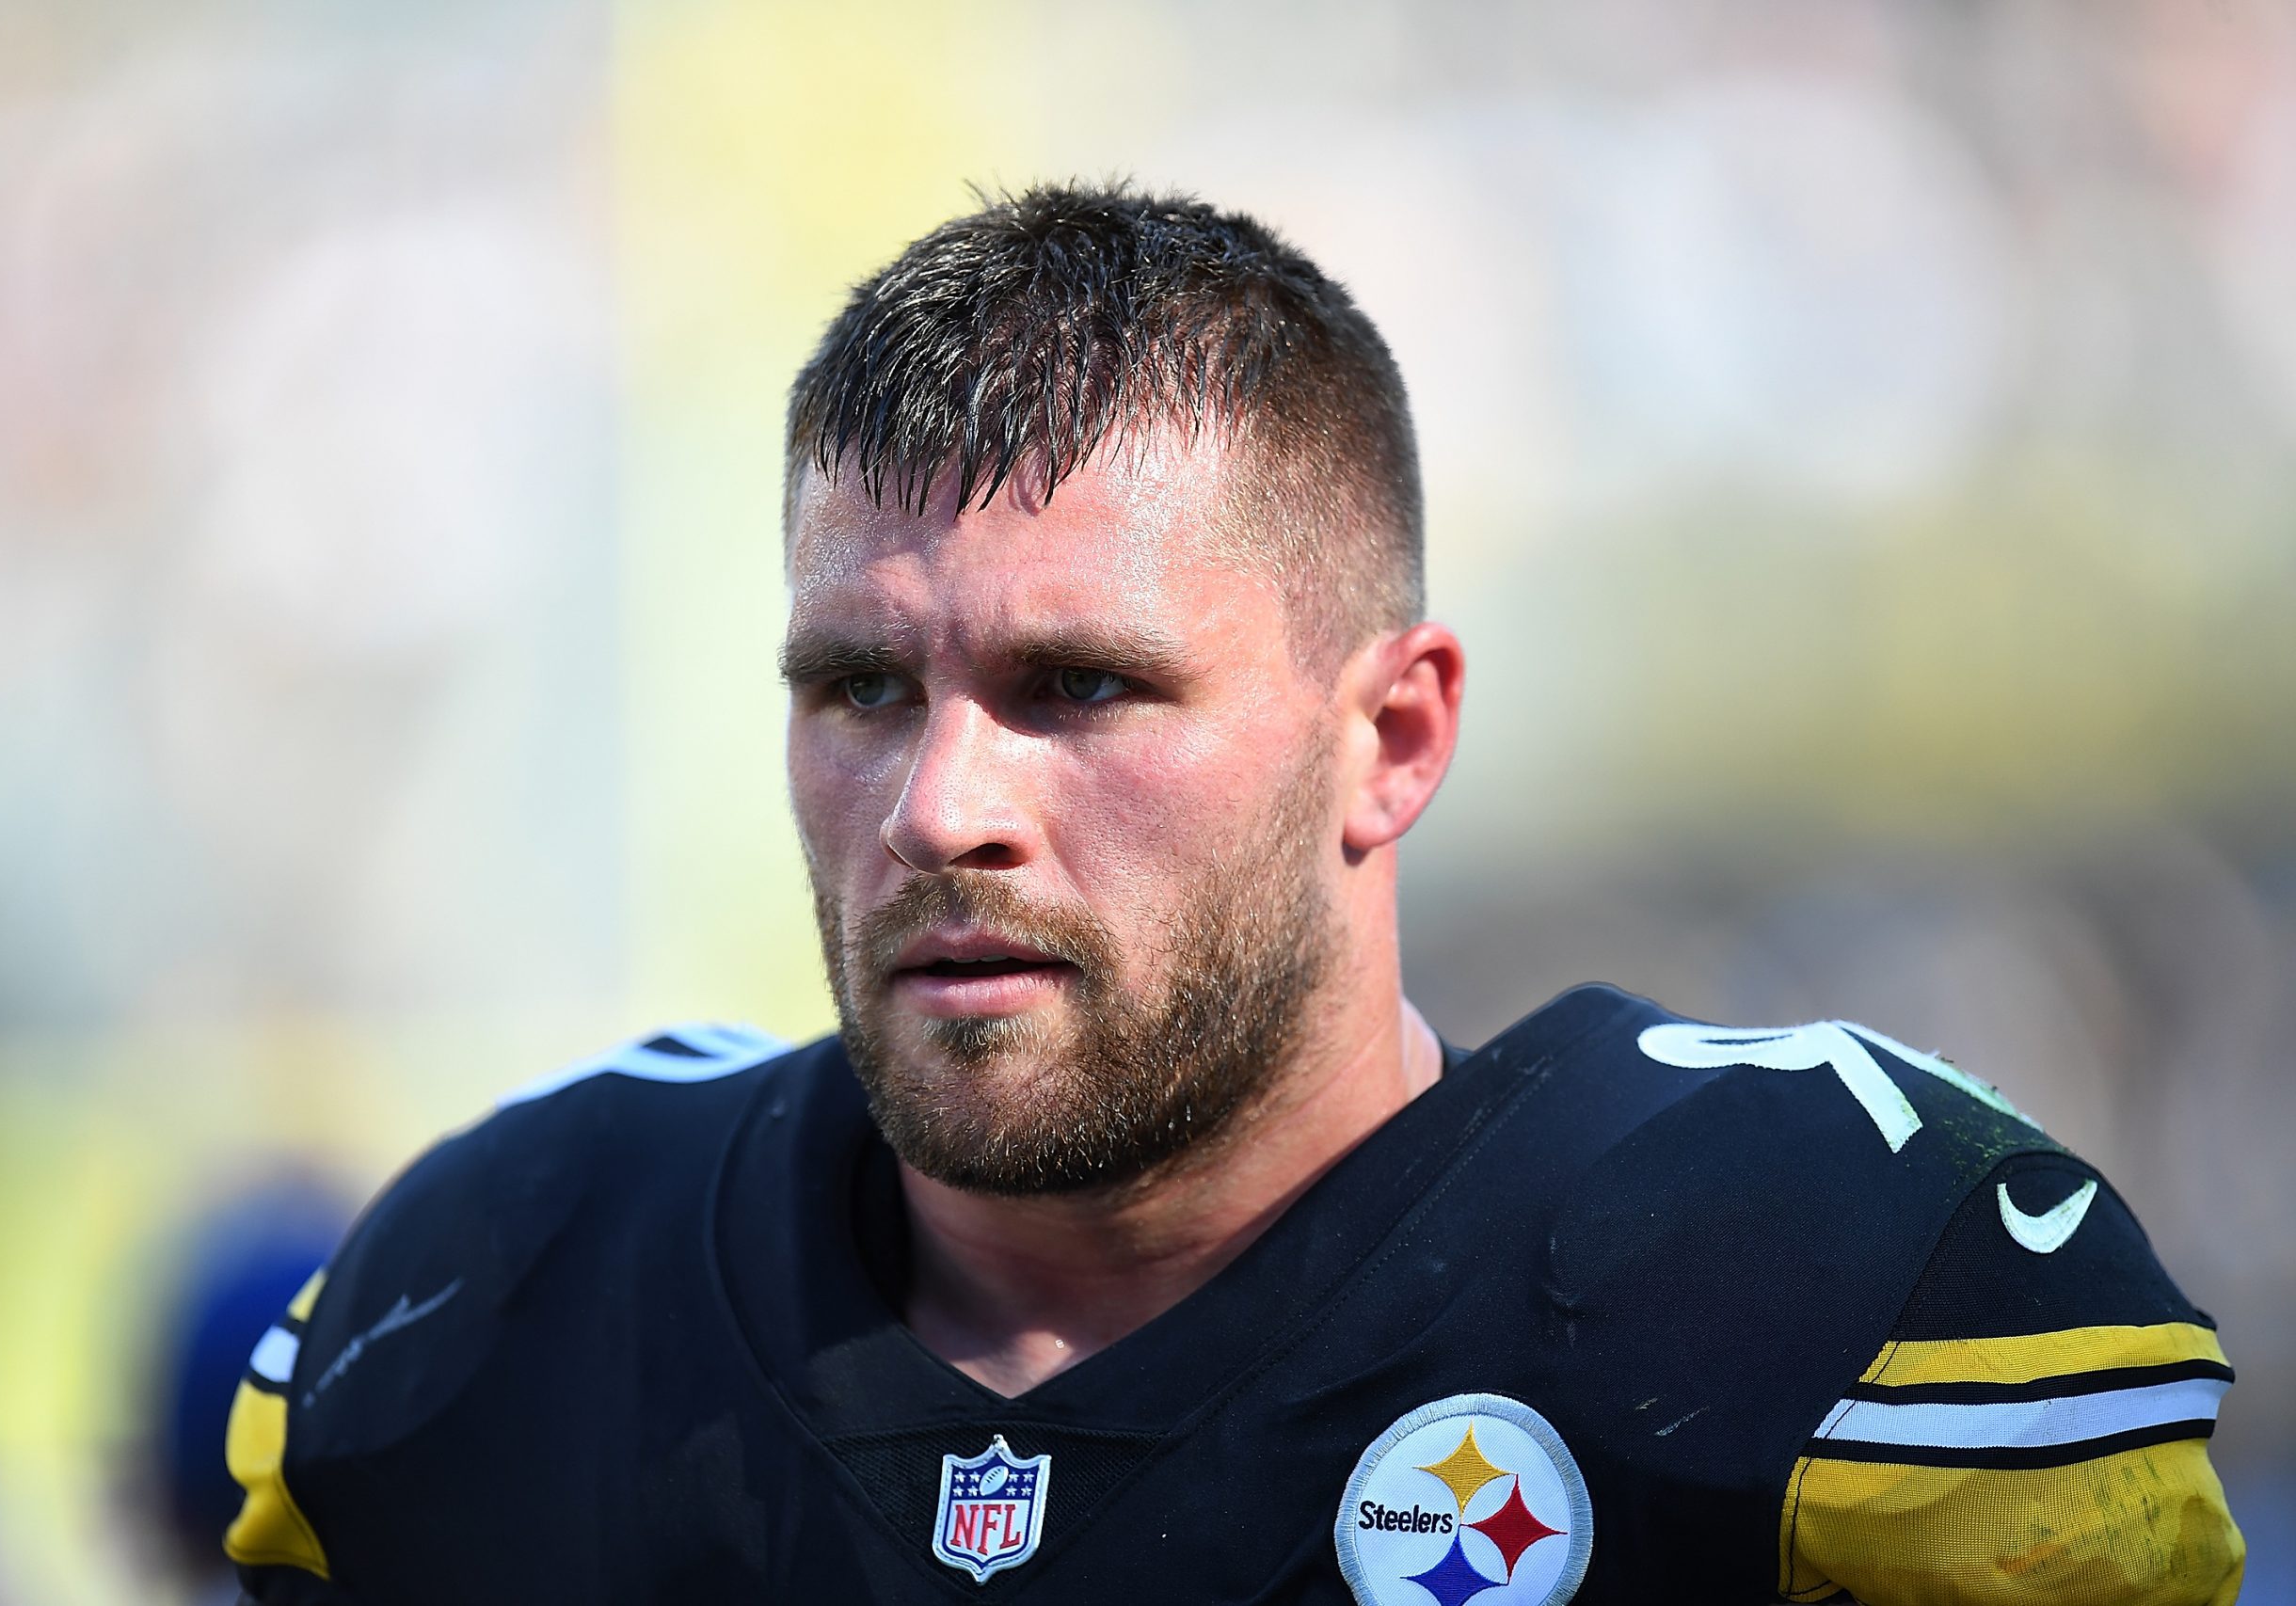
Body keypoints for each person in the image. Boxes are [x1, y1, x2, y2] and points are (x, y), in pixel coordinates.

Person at [223, 185, 2244, 1605]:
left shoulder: (1821, 1302)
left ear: (1387, 739)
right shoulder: (494, 1310)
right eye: (858, 687)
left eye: (1076, 685)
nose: (940, 805)